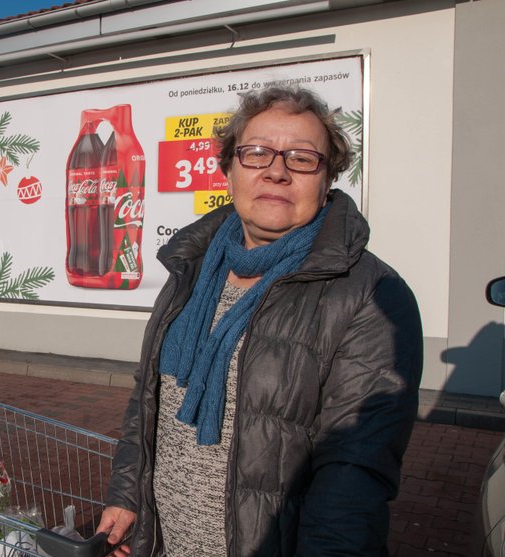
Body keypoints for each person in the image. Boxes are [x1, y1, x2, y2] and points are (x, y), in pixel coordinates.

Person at [96, 86, 423, 556]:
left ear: (329, 176)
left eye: (302, 158)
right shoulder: (193, 266)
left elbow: (354, 471)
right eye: (256, 153)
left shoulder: (368, 293)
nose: (276, 170)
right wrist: (127, 498)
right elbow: (148, 400)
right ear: (228, 168)